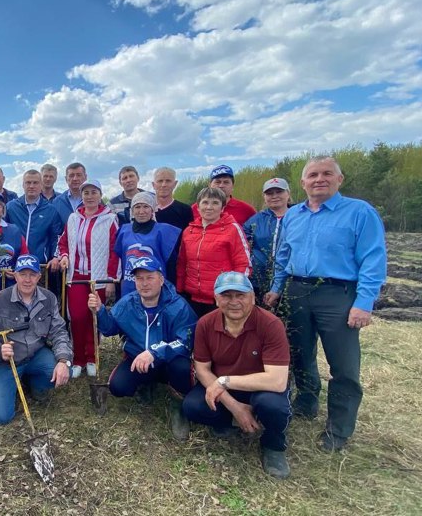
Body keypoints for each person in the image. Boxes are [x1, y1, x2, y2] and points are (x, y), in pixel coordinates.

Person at [265, 156, 387, 451]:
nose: (320, 179)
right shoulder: (294, 215)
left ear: (339, 179)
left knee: (343, 365)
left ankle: (339, 429)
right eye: (313, 175)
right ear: (303, 183)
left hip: (337, 293)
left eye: (327, 174)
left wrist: (364, 302)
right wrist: (276, 288)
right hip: (297, 290)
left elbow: (373, 258)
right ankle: (306, 403)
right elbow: (283, 255)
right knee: (300, 352)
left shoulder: (359, 212)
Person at [182, 272, 292, 479]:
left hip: (259, 387)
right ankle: (231, 420)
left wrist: (224, 381)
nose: (234, 302)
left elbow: (277, 381)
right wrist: (233, 405)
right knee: (192, 406)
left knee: (273, 406)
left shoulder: (271, 325)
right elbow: (202, 369)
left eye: (240, 295)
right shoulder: (205, 324)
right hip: (226, 389)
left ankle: (274, 445)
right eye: (226, 295)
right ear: (216, 299)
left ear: (252, 297)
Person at [88, 255, 197, 439]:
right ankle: (145, 384)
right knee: (118, 387)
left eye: (149, 277)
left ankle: (178, 404)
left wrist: (155, 353)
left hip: (169, 362)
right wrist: (99, 311)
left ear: (161, 279)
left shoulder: (178, 306)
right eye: (139, 278)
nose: (144, 283)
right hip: (138, 360)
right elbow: (109, 329)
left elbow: (185, 342)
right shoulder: (128, 302)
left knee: (182, 368)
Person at [0, 254, 73, 425]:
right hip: (7, 362)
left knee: (66, 370)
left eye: (32, 274)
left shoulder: (49, 298)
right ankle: (10, 385)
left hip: (36, 355)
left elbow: (59, 331)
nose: (27, 280)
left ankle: (37, 384)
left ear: (39, 276)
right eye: (23, 274)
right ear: (15, 275)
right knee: (0, 418)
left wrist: (63, 360)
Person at [54, 179, 119, 378]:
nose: (89, 196)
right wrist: (63, 256)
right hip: (76, 276)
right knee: (77, 317)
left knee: (93, 316)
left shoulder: (109, 219)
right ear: (81, 196)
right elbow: (63, 243)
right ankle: (78, 359)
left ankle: (92, 357)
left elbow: (115, 251)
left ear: (100, 195)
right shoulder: (73, 218)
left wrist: (110, 280)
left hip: (97, 277)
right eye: (86, 193)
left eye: (93, 192)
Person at [177, 187, 251, 317]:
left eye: (215, 203)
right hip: (192, 298)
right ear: (198, 207)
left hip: (220, 298)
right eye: (205, 202)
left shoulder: (232, 229)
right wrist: (179, 290)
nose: (209, 207)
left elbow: (243, 263)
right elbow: (182, 263)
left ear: (222, 208)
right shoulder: (188, 231)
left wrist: (234, 292)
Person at [114, 191, 182, 294]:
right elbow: (119, 260)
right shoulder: (124, 231)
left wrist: (171, 289)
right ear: (132, 210)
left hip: (155, 288)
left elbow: (171, 265)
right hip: (130, 287)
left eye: (145, 206)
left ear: (152, 209)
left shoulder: (163, 231)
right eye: (137, 207)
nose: (141, 211)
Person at [244, 177, 293, 297]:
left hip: (291, 280)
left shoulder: (299, 216)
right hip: (259, 280)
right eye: (270, 193)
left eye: (279, 192)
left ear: (288, 193)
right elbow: (242, 245)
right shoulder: (256, 220)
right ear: (264, 197)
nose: (274, 196)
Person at [5, 169, 63, 268]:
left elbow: (56, 237)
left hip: (40, 265)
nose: (31, 186)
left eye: (35, 183)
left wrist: (55, 257)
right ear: (23, 185)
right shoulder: (11, 207)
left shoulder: (50, 210)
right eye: (28, 182)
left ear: (41, 185)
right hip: (14, 264)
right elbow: (2, 232)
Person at [192, 165, 256, 225]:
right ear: (209, 185)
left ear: (232, 186)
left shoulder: (247, 210)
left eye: (226, 182)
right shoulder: (195, 209)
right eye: (217, 182)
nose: (221, 186)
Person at [50, 162, 87, 226]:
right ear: (66, 179)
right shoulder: (57, 202)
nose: (75, 179)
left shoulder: (94, 201)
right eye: (71, 175)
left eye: (79, 175)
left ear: (85, 177)